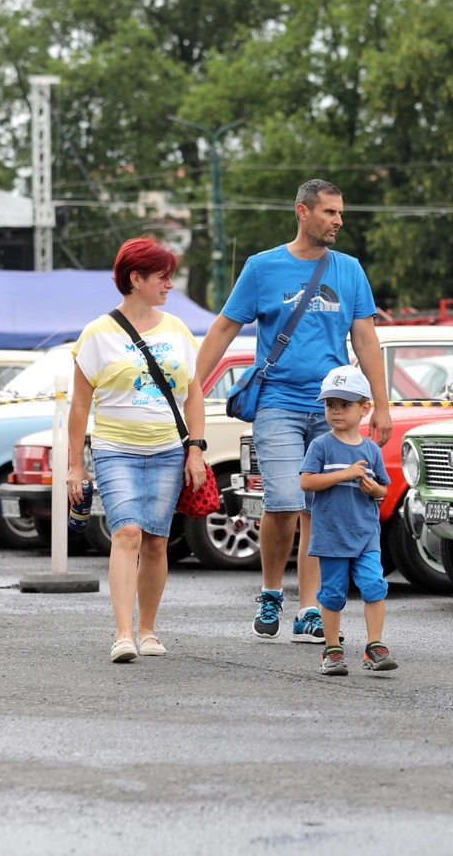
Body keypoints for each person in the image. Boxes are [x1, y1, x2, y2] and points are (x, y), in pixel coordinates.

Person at [194, 179, 392, 643]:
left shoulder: (349, 270)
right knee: (284, 501)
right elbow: (224, 327)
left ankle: (309, 606)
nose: (338, 221)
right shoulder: (263, 268)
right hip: (278, 404)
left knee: (319, 507)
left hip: (333, 409)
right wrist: (192, 388)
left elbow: (365, 338)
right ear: (302, 212)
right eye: (329, 212)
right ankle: (269, 591)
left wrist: (380, 405)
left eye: (341, 213)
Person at [67, 237, 209, 663]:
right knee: (126, 532)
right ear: (136, 278)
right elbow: (78, 406)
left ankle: (148, 629)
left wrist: (196, 450)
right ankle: (123, 634)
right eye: (162, 276)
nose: (170, 284)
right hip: (115, 449)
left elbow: (194, 393)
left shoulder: (178, 329)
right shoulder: (97, 333)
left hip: (168, 449)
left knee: (156, 542)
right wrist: (75, 466)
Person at [299, 366, 395, 675]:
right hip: (331, 535)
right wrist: (344, 474)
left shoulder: (371, 449)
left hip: (365, 533)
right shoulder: (321, 445)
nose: (336, 411)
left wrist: (373, 488)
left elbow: (383, 488)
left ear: (365, 408)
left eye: (345, 405)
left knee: (374, 586)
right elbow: (307, 482)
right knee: (333, 594)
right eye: (330, 405)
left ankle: (374, 646)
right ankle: (332, 650)